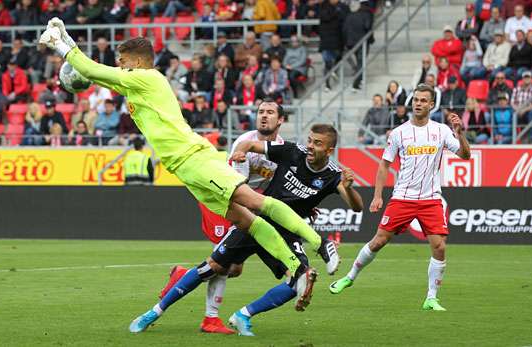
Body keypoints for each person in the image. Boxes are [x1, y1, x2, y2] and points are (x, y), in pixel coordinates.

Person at [39, 22, 339, 315]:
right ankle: (297, 268)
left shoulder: (148, 78)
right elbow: (99, 77)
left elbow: (93, 70)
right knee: (247, 220)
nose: (119, 65)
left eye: (122, 60)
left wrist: (60, 45)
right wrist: (64, 37)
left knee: (255, 203)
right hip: (183, 168)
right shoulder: (134, 87)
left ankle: (320, 244)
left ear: (138, 61)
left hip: (194, 156)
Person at [152, 123, 363, 336]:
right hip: (256, 221)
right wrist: (240, 152)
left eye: (317, 143)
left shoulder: (334, 175)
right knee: (216, 266)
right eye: (310, 140)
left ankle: (243, 315)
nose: (310, 146)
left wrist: (349, 187)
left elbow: (357, 206)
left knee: (300, 279)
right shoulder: (292, 151)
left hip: (286, 232)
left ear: (329, 150)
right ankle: (156, 311)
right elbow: (250, 144)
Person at [330, 84, 471, 312]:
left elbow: (465, 155)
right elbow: (384, 165)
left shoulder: (442, 131)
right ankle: (350, 276)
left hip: (430, 198)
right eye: (415, 99)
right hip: (402, 198)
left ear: (432, 105)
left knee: (440, 247)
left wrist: (460, 134)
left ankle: (431, 298)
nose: (418, 103)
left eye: (423, 100)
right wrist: (377, 196)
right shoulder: (399, 133)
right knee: (378, 241)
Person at [159, 100, 286, 334]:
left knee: (234, 268)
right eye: (260, 112)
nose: (263, 116)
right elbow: (239, 188)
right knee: (222, 262)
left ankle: (182, 276)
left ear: (281, 120)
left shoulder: (281, 150)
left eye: (269, 112)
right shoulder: (244, 144)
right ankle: (211, 319)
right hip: (224, 201)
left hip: (246, 204)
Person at [342, 0, 374, 92]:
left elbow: (344, 29)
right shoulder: (367, 14)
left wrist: (346, 41)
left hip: (351, 42)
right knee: (361, 62)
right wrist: (370, 39)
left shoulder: (351, 15)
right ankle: (356, 83)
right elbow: (368, 26)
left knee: (360, 61)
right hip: (362, 42)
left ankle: (359, 80)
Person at [319, 0, 348, 91]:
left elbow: (345, 20)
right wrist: (336, 13)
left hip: (338, 40)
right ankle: (327, 84)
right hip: (326, 41)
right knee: (327, 63)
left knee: (338, 57)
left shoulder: (342, 7)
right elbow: (324, 17)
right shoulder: (324, 7)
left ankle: (334, 71)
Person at [511, 70, 532, 143]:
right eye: (525, 77)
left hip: (529, 111)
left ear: (531, 79)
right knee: (512, 114)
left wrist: (525, 109)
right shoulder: (516, 89)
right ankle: (513, 138)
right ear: (522, 79)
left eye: (528, 77)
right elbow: (512, 103)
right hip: (519, 111)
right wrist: (518, 110)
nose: (527, 79)